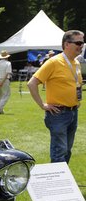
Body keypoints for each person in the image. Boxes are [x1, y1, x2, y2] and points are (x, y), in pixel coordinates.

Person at [28, 30, 84, 163]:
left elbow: (76, 83)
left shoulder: (75, 63)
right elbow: (32, 83)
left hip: (73, 112)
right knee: (60, 151)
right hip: (58, 114)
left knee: (67, 150)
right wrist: (43, 105)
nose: (82, 45)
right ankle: (58, 182)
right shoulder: (53, 62)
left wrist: (76, 99)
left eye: (83, 42)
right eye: (78, 42)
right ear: (66, 44)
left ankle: (64, 180)